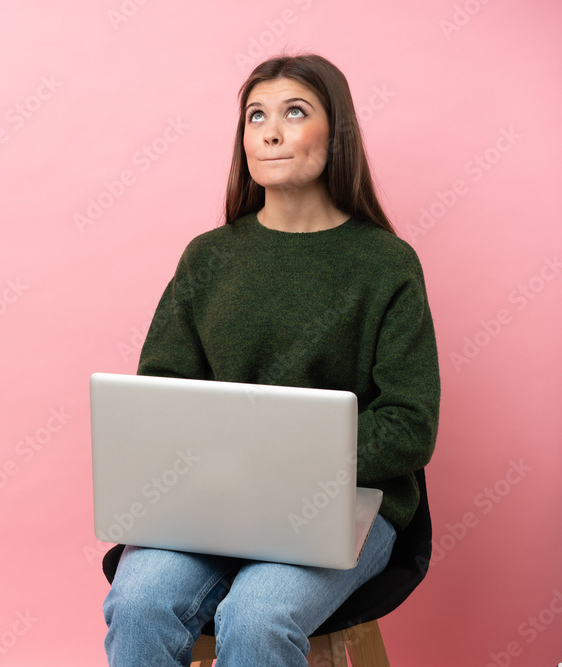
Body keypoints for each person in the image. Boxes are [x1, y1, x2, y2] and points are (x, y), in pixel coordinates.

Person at [101, 53, 441, 666]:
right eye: (256, 116)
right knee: (139, 603)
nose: (271, 130)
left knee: (259, 617)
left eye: (294, 112)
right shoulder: (208, 258)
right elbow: (163, 394)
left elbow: (410, 425)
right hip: (212, 502)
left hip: (337, 505)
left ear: (335, 134)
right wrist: (222, 464)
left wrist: (291, 461)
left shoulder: (387, 264)